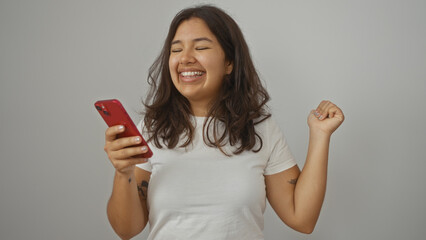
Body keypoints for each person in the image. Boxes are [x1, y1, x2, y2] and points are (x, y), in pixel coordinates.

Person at [103, 5, 344, 240]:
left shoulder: (259, 128)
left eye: (201, 47)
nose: (185, 58)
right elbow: (127, 230)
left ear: (229, 62)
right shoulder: (152, 128)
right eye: (176, 50)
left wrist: (320, 135)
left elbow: (301, 219)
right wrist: (123, 172)